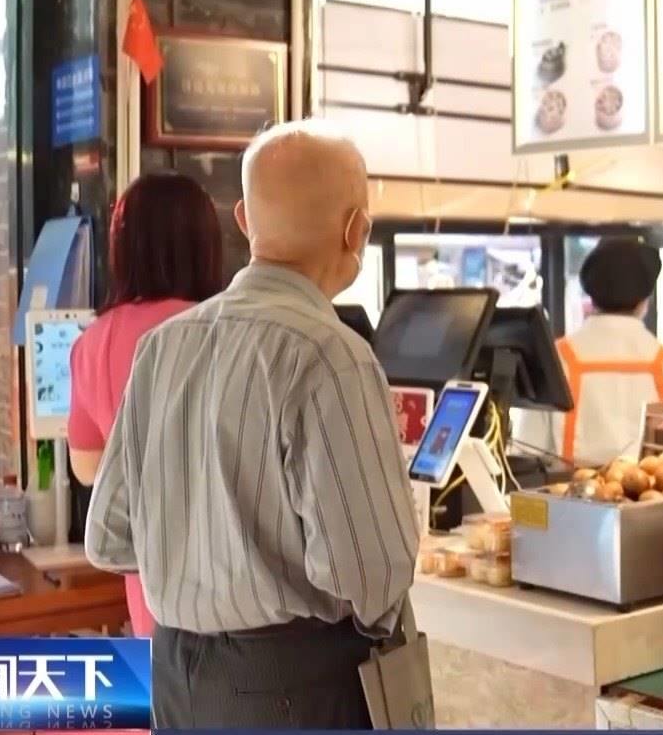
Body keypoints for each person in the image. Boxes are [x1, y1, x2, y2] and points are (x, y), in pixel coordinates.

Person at [87, 121, 421, 729]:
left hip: (174, 677)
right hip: (293, 686)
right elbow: (373, 574)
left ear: (243, 220)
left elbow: (109, 538)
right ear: (357, 231)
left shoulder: (162, 347)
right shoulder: (330, 355)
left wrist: (202, 562)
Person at [67, 172, 225, 638]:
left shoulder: (95, 341)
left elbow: (87, 468)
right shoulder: (230, 328)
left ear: (124, 247)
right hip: (240, 593)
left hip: (153, 598)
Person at [517, 238, 663, 467]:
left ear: (591, 296)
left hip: (567, 490)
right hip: (654, 489)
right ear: (645, 300)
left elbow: (525, 456)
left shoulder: (554, 361)